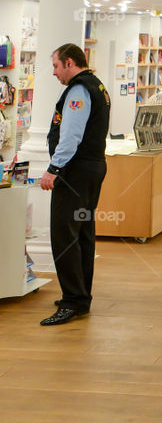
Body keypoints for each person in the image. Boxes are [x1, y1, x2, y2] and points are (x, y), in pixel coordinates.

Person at [38, 43, 111, 325]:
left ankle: (72, 300)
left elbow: (71, 135)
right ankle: (80, 296)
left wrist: (54, 169)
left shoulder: (79, 90)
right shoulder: (98, 86)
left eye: (56, 66)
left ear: (69, 63)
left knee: (65, 235)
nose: (54, 72)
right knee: (82, 232)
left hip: (75, 173)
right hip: (91, 169)